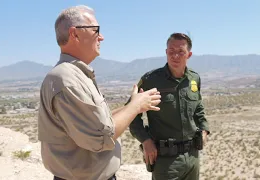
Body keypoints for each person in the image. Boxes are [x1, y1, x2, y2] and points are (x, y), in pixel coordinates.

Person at [38, 5, 161, 180]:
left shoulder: (75, 74)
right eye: (96, 30)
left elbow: (99, 123)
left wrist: (133, 107)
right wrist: (135, 106)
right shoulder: (66, 79)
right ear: (75, 34)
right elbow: (101, 137)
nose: (101, 37)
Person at [129, 33, 210, 180]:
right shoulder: (151, 80)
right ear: (166, 52)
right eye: (171, 51)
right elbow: (131, 113)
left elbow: (198, 108)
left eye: (181, 52)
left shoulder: (194, 78)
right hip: (165, 161)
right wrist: (145, 141)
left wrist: (204, 129)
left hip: (192, 158)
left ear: (189, 55)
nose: (175, 56)